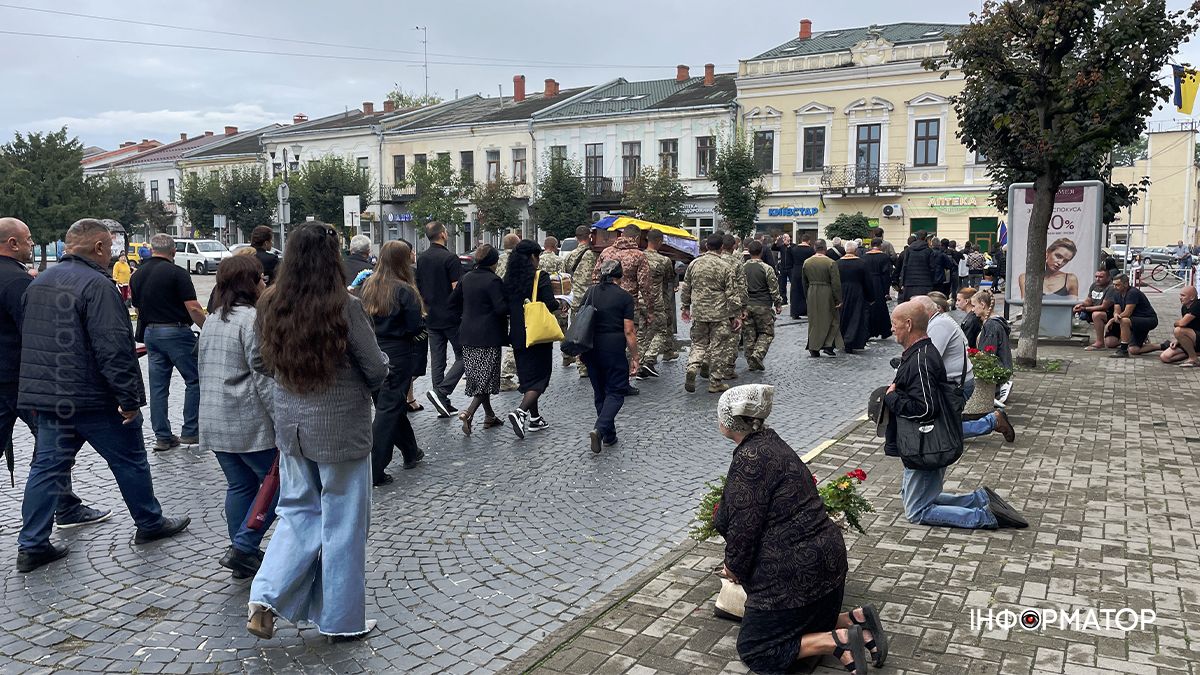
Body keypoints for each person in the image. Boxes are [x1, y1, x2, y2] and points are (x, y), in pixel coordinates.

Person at [16, 218, 190, 573]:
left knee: (46, 469)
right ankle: (149, 522)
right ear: (97, 247)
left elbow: (31, 341)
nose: (112, 254)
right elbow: (113, 346)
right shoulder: (98, 285)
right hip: (93, 397)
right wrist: (128, 398)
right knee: (129, 459)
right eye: (110, 247)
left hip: (51, 397)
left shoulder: (38, 283)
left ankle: (32, 543)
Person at [247, 221, 388, 640]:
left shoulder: (270, 302)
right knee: (343, 526)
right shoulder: (344, 306)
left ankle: (264, 597)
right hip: (341, 430)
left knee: (296, 515)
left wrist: (294, 378)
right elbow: (375, 368)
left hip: (292, 428)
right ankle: (341, 620)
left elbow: (259, 362)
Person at [712, 384, 887, 675]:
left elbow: (744, 529)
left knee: (756, 649)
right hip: (827, 566)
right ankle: (855, 621)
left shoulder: (750, 459)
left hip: (793, 575)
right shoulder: (771, 440)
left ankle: (837, 641)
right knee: (796, 622)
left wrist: (733, 567)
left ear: (728, 422)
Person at [0, 217, 110, 534]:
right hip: (23, 380)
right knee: (52, 452)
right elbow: (37, 331)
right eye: (29, 239)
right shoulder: (17, 282)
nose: (32, 244)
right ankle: (63, 509)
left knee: (51, 451)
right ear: (12, 244)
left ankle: (65, 505)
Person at [883, 300, 1026, 530]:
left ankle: (985, 517)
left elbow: (926, 408)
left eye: (894, 323)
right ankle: (979, 500)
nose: (891, 328)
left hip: (926, 444)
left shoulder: (921, 359)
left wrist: (892, 398)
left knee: (917, 510)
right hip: (926, 442)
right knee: (916, 499)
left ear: (908, 325)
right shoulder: (921, 352)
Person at [198, 254, 278, 579]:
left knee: (240, 485)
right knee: (279, 484)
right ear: (250, 282)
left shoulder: (214, 319)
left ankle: (241, 555)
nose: (265, 283)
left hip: (215, 418)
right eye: (260, 278)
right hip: (247, 421)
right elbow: (263, 377)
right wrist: (282, 421)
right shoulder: (253, 320)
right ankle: (243, 547)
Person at [129, 233, 206, 451]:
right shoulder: (177, 273)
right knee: (195, 380)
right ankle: (190, 431)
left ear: (152, 250)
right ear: (173, 252)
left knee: (158, 387)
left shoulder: (137, 275)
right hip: (176, 332)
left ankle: (162, 436)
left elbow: (137, 308)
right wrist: (208, 329)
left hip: (151, 334)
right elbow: (193, 307)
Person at [363, 240, 427, 485]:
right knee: (388, 410)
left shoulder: (369, 286)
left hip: (372, 351)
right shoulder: (404, 290)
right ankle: (374, 468)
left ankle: (411, 451)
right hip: (397, 354)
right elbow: (414, 327)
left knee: (390, 404)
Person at [919, 294, 1015, 442]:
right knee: (942, 426)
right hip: (958, 379)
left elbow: (988, 353)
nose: (973, 309)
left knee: (943, 430)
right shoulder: (945, 322)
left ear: (983, 305)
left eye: (974, 305)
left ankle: (992, 421)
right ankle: (993, 421)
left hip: (957, 382)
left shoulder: (989, 324)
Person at [502, 240, 560, 438]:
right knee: (540, 378)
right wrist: (561, 303)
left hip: (517, 334)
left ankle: (535, 418)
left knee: (527, 377)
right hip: (537, 335)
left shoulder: (508, 279)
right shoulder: (540, 277)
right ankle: (520, 412)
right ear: (533, 257)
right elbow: (550, 304)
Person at [448, 244, 508, 434]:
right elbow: (500, 309)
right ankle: (469, 412)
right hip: (488, 335)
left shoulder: (466, 278)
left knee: (478, 376)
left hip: (467, 333)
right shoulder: (493, 281)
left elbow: (452, 302)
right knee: (487, 377)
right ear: (494, 262)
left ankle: (489, 416)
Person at [581, 260, 639, 453]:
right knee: (616, 391)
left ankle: (609, 435)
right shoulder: (624, 297)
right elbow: (629, 331)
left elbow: (580, 318)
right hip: (613, 348)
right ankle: (600, 429)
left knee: (600, 392)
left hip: (589, 346)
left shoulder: (590, 292)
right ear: (619, 276)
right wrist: (635, 356)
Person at [593, 223, 655, 389]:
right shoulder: (638, 256)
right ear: (636, 237)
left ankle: (606, 375)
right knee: (628, 338)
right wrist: (649, 309)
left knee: (607, 337)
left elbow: (595, 277)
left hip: (604, 302)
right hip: (628, 304)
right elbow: (645, 285)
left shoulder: (606, 252)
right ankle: (623, 381)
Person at [415, 222, 464, 417]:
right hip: (451, 315)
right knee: (465, 356)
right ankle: (442, 392)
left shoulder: (423, 258)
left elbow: (420, 286)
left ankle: (441, 401)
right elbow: (457, 288)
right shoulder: (450, 258)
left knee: (437, 359)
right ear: (443, 234)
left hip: (431, 314)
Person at [681, 234, 739, 394]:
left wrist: (685, 306)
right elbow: (732, 293)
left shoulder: (694, 264)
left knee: (699, 343)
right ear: (721, 247)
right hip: (719, 313)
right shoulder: (726, 266)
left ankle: (692, 367)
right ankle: (715, 382)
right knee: (718, 346)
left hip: (699, 312)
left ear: (707, 247)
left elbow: (686, 287)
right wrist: (736, 314)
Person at [741, 240, 782, 371]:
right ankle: (758, 354)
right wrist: (778, 303)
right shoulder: (766, 268)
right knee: (767, 332)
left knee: (749, 334)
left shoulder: (742, 268)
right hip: (763, 305)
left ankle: (750, 360)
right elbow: (773, 288)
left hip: (746, 305)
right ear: (761, 252)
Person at [639, 229, 675, 377]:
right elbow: (668, 281)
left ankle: (640, 364)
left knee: (642, 332)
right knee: (661, 330)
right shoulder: (664, 260)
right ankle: (649, 359)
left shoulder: (638, 257)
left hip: (639, 299)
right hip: (656, 300)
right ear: (659, 241)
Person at [565, 226, 599, 378]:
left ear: (576, 237)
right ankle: (594, 361)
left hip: (577, 299)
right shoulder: (595, 254)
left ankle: (581, 365)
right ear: (590, 236)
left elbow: (567, 276)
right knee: (594, 330)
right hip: (593, 297)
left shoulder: (570, 256)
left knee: (578, 332)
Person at [804, 240, 843, 357]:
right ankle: (828, 345)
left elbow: (804, 281)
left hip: (812, 291)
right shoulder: (830, 262)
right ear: (825, 249)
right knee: (832, 319)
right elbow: (836, 283)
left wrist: (807, 295)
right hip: (827, 292)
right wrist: (839, 299)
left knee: (814, 321)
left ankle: (813, 346)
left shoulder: (807, 262)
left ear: (814, 248)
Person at [1106, 274, 1159, 357]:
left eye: (1117, 285)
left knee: (1124, 321)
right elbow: (1117, 310)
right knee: (1134, 350)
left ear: (1126, 284)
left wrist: (1112, 320)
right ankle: (1163, 345)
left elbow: (1127, 313)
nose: (1115, 287)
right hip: (1134, 321)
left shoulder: (1132, 293)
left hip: (1148, 319)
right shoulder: (1117, 294)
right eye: (1114, 284)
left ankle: (1123, 350)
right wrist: (1115, 315)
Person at [718, 233, 748, 380]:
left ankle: (708, 362)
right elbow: (742, 287)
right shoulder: (736, 263)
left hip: (714, 305)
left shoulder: (714, 260)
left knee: (714, 337)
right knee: (733, 337)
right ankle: (728, 369)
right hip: (731, 305)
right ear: (734, 246)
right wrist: (742, 307)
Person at [836, 241, 874, 353]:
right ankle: (851, 340)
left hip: (842, 291)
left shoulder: (837, 263)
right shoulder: (861, 263)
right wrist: (870, 297)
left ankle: (842, 339)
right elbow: (868, 281)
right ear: (855, 250)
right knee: (856, 317)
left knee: (843, 316)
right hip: (857, 291)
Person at [497, 233, 522, 390]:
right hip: (514, 303)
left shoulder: (498, 259)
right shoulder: (517, 259)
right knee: (516, 338)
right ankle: (505, 376)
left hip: (499, 303)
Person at [1074, 269, 1119, 351]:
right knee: (1110, 343)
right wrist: (1081, 305)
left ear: (1108, 278)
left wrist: (1085, 309)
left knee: (1097, 314)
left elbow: (1104, 307)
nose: (1098, 279)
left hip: (1112, 315)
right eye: (1096, 276)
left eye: (1101, 277)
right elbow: (1089, 300)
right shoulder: (1094, 285)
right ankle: (1129, 338)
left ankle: (1099, 342)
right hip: (1099, 313)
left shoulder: (1111, 288)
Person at [1160, 286, 1200, 366]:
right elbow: (1184, 325)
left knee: (1178, 330)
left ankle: (1193, 359)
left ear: (1192, 297)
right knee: (1165, 357)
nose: (1180, 298)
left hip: (1197, 337)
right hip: (1193, 338)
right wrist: (1177, 340)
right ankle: (1195, 353)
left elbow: (1182, 324)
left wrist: (1176, 324)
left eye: (1183, 295)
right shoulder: (1184, 307)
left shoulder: (1197, 304)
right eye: (1180, 295)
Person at [863, 238, 894, 339]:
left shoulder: (864, 257)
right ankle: (884, 330)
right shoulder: (884, 257)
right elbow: (886, 274)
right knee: (881, 307)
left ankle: (868, 330)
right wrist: (886, 290)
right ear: (880, 245)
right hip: (879, 283)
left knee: (868, 307)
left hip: (867, 282)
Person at [896, 230, 936, 301]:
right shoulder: (929, 251)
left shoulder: (909, 250)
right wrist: (932, 281)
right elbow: (932, 268)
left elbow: (904, 266)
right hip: (925, 283)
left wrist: (902, 283)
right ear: (926, 238)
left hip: (909, 283)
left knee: (910, 305)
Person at [789, 233, 815, 318]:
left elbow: (791, 261)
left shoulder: (794, 249)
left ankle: (794, 312)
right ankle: (806, 310)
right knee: (807, 291)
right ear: (808, 241)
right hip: (807, 270)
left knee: (795, 292)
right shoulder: (811, 250)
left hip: (796, 271)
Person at [772, 233, 792, 302]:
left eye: (786, 237)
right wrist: (776, 241)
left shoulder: (793, 246)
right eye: (784, 238)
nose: (785, 239)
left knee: (793, 284)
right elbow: (773, 248)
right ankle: (784, 299)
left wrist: (789, 245)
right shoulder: (782, 247)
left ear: (789, 238)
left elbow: (793, 252)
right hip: (783, 268)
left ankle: (793, 299)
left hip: (790, 268)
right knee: (782, 285)